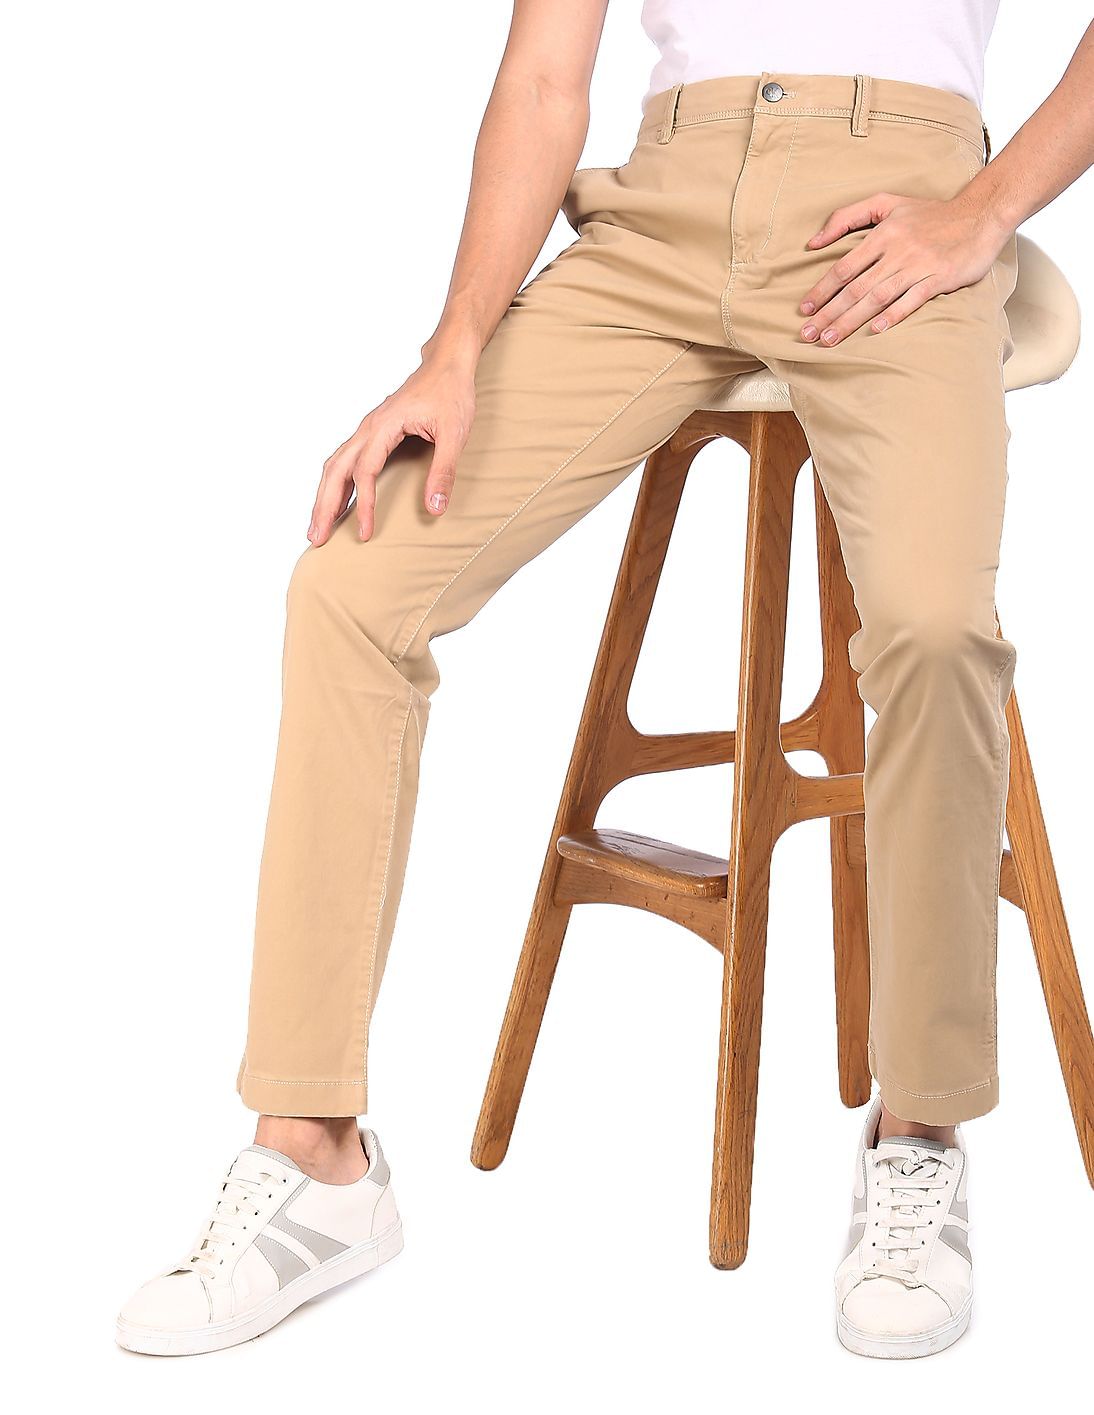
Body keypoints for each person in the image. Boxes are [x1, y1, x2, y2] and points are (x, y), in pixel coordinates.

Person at [116, 0, 1094, 1360]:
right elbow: (542, 80)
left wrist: (986, 209)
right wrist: (453, 349)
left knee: (933, 627)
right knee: (351, 590)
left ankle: (917, 1131)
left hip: (893, 206)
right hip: (659, 219)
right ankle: (315, 1154)